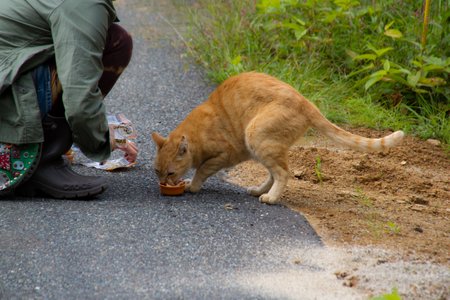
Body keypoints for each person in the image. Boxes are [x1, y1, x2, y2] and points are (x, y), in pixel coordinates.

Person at [0, 0, 138, 199]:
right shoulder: (84, 5)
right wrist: (105, 138)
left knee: (114, 39)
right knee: (117, 45)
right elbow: (78, 96)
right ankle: (43, 161)